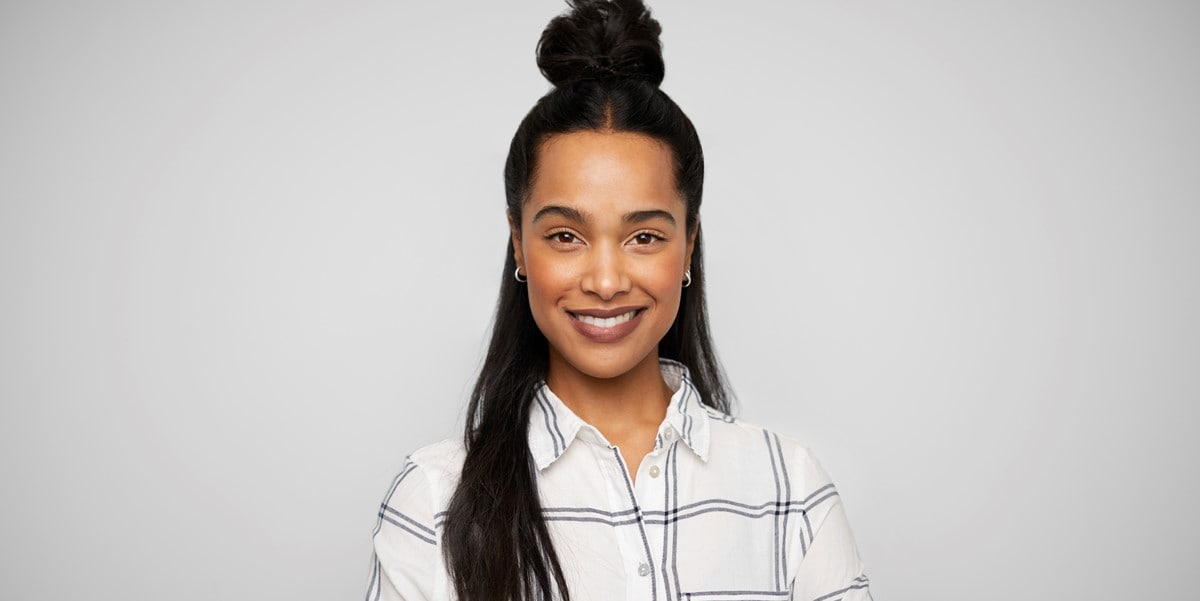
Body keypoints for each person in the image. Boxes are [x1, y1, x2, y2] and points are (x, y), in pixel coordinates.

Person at [365, 1, 871, 599]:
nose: (606, 282)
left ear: (688, 247)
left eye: (645, 237)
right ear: (519, 247)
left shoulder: (789, 490)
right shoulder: (433, 502)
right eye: (565, 236)